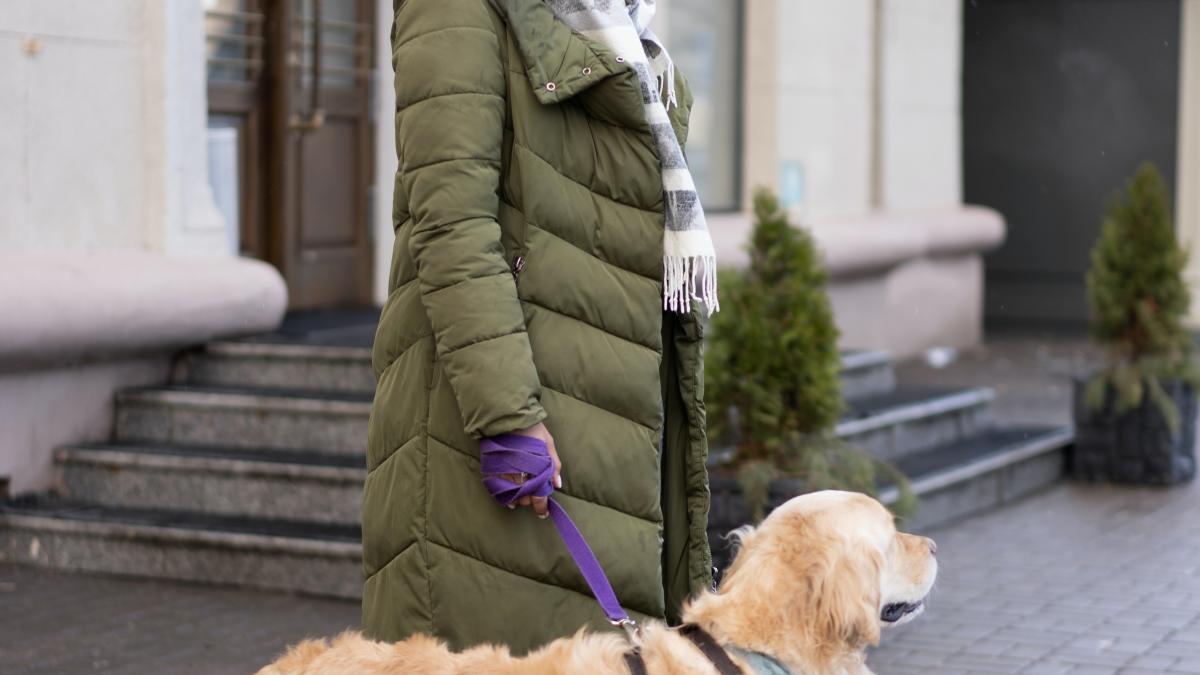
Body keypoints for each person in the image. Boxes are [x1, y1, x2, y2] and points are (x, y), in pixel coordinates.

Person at [362, 0, 719, 655]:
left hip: (610, 428)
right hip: (494, 430)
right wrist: (508, 415)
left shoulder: (621, 25)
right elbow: (452, 226)